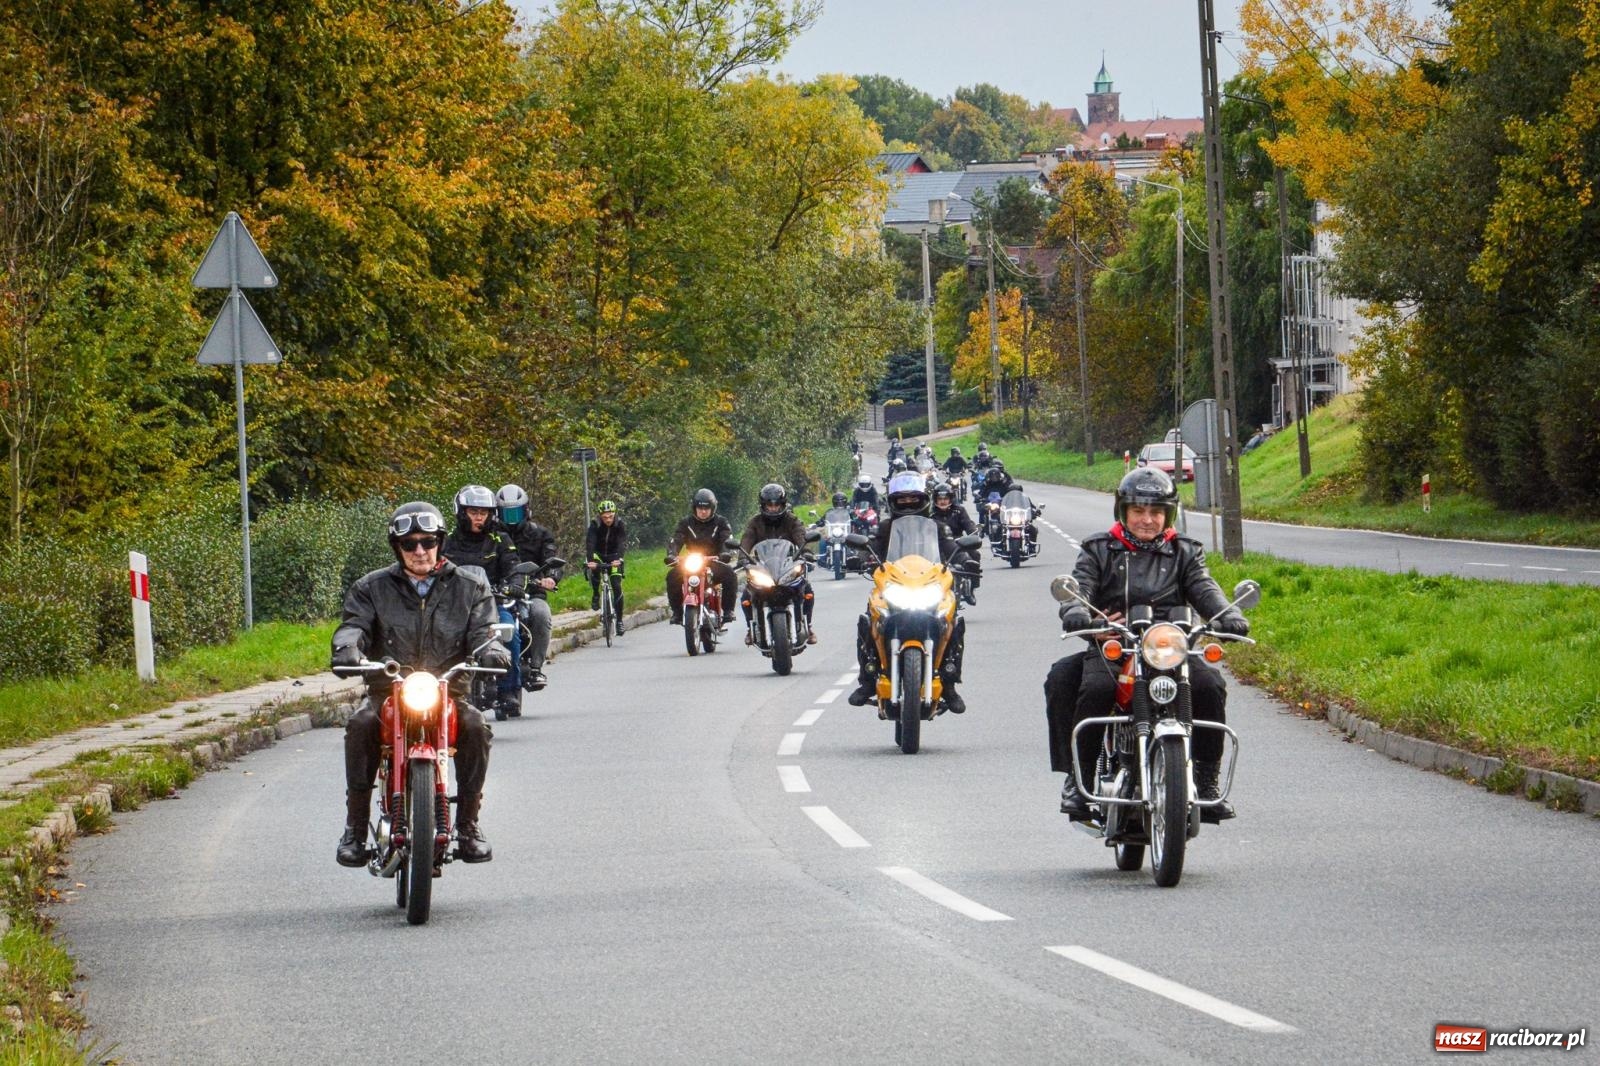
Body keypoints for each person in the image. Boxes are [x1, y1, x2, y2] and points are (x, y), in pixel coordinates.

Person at [1044, 467, 1249, 822]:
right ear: (1123, 512)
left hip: (1170, 646)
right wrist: (1079, 612)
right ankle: (1079, 780)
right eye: (1139, 511)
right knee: (1090, 687)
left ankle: (1206, 781)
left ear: (1169, 515)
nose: (1147, 520)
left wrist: (1226, 615)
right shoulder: (1099, 549)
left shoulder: (1185, 552)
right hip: (1116, 644)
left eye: (1156, 512)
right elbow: (1080, 587)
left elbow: (1203, 587)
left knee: (1210, 685)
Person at [331, 501, 507, 866]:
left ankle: (468, 825)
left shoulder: (470, 587)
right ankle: (354, 828)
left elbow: (484, 630)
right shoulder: (371, 587)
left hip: (449, 689)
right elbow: (354, 624)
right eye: (409, 544)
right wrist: (347, 647)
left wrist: (492, 650)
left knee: (476, 727)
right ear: (397, 548)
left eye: (427, 541)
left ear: (440, 542)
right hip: (389, 690)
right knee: (361, 724)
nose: (419, 551)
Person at [846, 472, 967, 714]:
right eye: (902, 500)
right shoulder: (884, 527)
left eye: (913, 499)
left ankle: (950, 683)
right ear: (893, 501)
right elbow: (870, 548)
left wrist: (965, 560)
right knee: (868, 620)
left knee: (954, 622)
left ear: (923, 499)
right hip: (894, 586)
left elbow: (953, 548)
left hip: (929, 587)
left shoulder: (938, 527)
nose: (909, 504)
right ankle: (868, 680)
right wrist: (859, 559)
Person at [443, 485, 519, 715]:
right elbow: (434, 569)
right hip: (455, 605)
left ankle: (509, 690)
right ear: (461, 512)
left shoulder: (500, 540)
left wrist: (512, 585)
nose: (478, 517)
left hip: (492, 603)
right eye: (473, 512)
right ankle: (441, 690)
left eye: (483, 513)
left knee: (510, 633)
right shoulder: (447, 542)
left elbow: (514, 566)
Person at [494, 483, 558, 693]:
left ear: (526, 510)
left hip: (532, 591)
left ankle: (535, 667)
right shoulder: (492, 535)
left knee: (541, 613)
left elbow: (550, 557)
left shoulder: (541, 534)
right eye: (506, 513)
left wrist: (550, 577)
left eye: (516, 512)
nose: (511, 518)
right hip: (498, 592)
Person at [737, 483, 816, 644]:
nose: (773, 508)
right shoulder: (755, 522)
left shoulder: (792, 520)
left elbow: (801, 536)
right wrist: (742, 558)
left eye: (776, 505)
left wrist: (806, 552)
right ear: (763, 505)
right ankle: (750, 629)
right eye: (769, 505)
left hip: (787, 566)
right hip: (763, 567)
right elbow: (747, 539)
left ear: (783, 504)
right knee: (746, 596)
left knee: (806, 590)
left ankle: (808, 626)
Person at [667, 488, 738, 627]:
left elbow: (726, 538)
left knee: (730, 574)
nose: (703, 511)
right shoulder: (686, 523)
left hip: (714, 561)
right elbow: (676, 539)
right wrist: (672, 554)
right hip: (692, 562)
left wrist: (725, 553)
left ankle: (728, 610)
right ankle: (677, 613)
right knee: (672, 576)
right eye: (700, 508)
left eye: (707, 508)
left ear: (713, 508)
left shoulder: (721, 522)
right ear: (695, 508)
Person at [585, 499, 628, 633]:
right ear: (600, 516)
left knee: (616, 585)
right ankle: (596, 594)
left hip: (614, 555)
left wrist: (620, 558)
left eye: (610, 516)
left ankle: (620, 621)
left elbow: (622, 542)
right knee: (595, 568)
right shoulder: (595, 524)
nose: (608, 520)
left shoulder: (620, 524)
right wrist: (590, 560)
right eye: (604, 517)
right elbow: (590, 543)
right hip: (598, 554)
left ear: (614, 514)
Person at [931, 482, 980, 599]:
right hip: (936, 545)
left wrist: (973, 533)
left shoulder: (959, 511)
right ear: (935, 500)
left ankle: (971, 588)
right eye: (939, 499)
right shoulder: (930, 515)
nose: (943, 501)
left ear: (951, 499)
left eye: (946, 498)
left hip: (958, 544)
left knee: (974, 554)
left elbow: (969, 525)